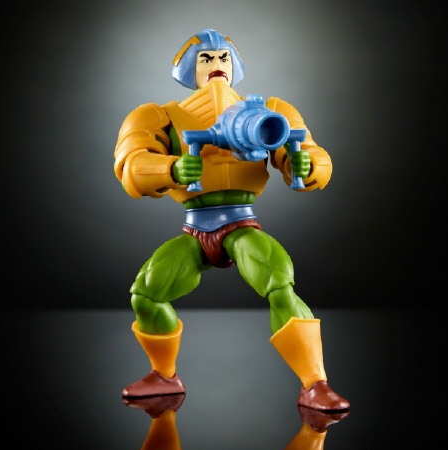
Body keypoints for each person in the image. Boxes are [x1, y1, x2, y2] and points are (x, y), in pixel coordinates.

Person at [114, 29, 349, 411]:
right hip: (196, 225)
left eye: (224, 58)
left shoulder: (269, 111)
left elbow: (311, 154)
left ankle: (316, 383)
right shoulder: (159, 116)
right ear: (189, 69)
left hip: (241, 224)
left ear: (235, 65)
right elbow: (130, 166)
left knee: (279, 283)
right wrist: (171, 168)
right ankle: (164, 375)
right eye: (206, 59)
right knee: (145, 293)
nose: (216, 65)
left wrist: (303, 164)